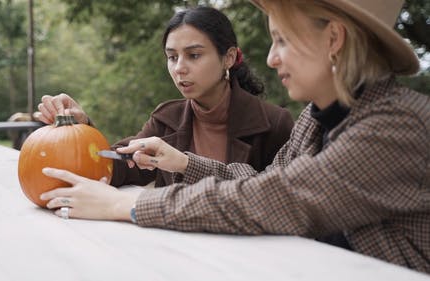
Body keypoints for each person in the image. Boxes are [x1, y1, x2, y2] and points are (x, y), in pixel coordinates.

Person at [39, 0, 430, 274]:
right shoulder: (317, 117)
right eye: (172, 57)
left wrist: (130, 206)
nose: (273, 58)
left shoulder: (394, 127)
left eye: (283, 40)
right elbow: (265, 182)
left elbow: (276, 199)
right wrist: (184, 162)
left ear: (333, 39)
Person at [35, 6, 293, 187]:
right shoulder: (167, 117)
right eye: (172, 57)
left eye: (194, 55)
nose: (179, 67)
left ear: (228, 57)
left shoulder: (275, 123)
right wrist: (81, 129)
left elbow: (279, 197)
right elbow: (117, 168)